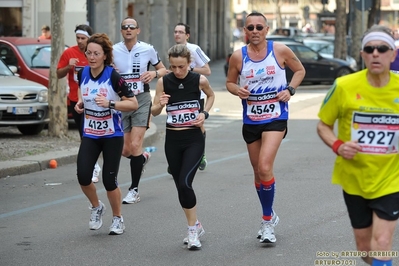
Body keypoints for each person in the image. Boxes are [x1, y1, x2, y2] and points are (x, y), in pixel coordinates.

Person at [317, 25, 399, 266]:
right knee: (365, 248)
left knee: (382, 243)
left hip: (391, 178)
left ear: (392, 54)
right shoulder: (344, 86)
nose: (376, 53)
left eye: (382, 49)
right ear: (362, 55)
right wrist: (339, 146)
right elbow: (323, 125)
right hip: (354, 179)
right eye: (369, 49)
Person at [225, 12, 305, 244]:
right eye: (250, 27)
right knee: (257, 173)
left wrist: (290, 89)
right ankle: (269, 213)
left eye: (259, 27)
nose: (255, 31)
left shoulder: (280, 51)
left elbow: (300, 70)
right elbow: (230, 82)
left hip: (275, 118)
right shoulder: (237, 57)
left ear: (267, 29)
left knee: (265, 165)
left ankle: (267, 220)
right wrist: (235, 90)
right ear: (245, 31)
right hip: (251, 120)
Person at [151, 44, 215, 249]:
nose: (177, 71)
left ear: (190, 63)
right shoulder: (164, 81)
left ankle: (192, 231)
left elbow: (211, 96)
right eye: (173, 67)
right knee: (180, 186)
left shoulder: (199, 80)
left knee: (186, 183)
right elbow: (153, 112)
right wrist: (160, 104)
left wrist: (204, 113)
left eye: (181, 67)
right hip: (173, 140)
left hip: (194, 139)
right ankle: (196, 223)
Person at [74, 33, 138, 235]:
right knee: (83, 176)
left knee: (110, 181)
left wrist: (110, 103)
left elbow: (133, 103)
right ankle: (96, 207)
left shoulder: (113, 76)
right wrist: (80, 102)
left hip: (112, 135)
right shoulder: (82, 72)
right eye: (89, 53)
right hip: (90, 134)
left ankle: (118, 218)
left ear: (104, 55)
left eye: (96, 54)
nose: (91, 57)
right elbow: (81, 89)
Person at [113, 17, 167, 204]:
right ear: (121, 31)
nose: (128, 29)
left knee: (135, 145)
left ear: (138, 30)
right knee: (125, 150)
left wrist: (153, 73)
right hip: (122, 101)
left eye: (132, 27)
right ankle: (142, 157)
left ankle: (134, 189)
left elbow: (163, 70)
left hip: (142, 100)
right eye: (125, 27)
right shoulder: (113, 50)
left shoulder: (147, 49)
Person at [57, 24, 102, 183]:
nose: (80, 41)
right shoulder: (69, 52)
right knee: (84, 135)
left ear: (90, 38)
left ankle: (94, 166)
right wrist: (69, 66)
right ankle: (94, 164)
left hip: (95, 101)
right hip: (76, 101)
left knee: (88, 134)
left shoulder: (95, 53)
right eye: (78, 38)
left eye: (83, 38)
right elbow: (58, 74)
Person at [172, 22, 211, 172]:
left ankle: (201, 154)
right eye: (175, 31)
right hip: (178, 93)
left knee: (197, 124)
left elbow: (207, 70)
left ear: (187, 35)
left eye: (181, 32)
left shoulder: (194, 49)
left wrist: (190, 68)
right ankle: (178, 157)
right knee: (179, 124)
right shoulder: (174, 51)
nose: (177, 34)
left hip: (195, 93)